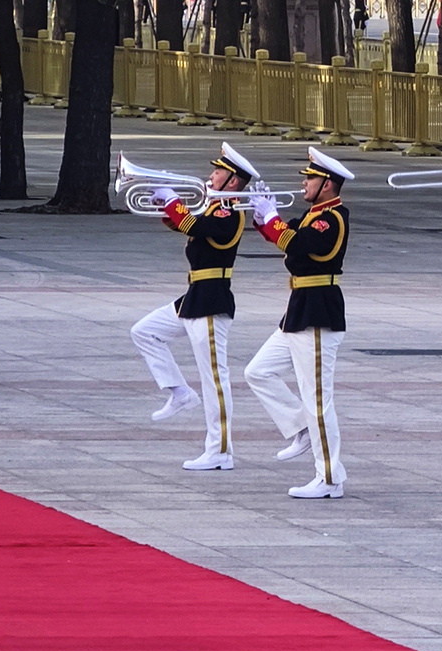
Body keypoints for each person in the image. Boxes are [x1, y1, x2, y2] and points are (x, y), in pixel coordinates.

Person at [129, 143, 258, 471]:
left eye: (217, 171)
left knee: (215, 379)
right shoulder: (214, 208)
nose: (210, 175)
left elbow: (194, 227)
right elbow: (185, 225)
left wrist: (173, 200)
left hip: (212, 299)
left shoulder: (228, 212)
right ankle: (179, 392)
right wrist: (165, 205)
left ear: (232, 181)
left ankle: (220, 451)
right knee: (144, 332)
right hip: (195, 296)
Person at [244, 149, 355, 499]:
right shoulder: (313, 214)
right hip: (299, 308)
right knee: (258, 372)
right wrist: (263, 217)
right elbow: (287, 237)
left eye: (309, 178)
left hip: (319, 310)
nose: (304, 183)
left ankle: (329, 478)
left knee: (318, 399)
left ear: (326, 184)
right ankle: (301, 428)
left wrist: (274, 220)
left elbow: (303, 247)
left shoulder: (332, 218)